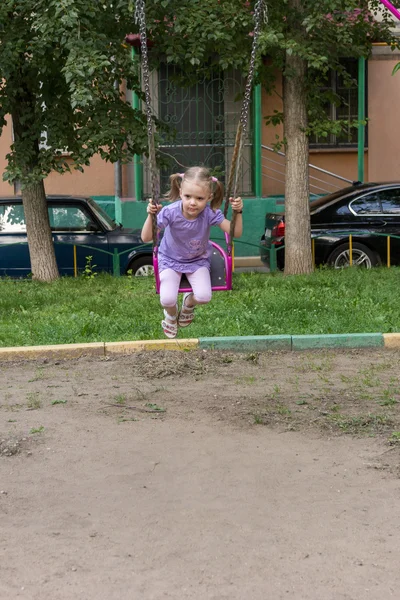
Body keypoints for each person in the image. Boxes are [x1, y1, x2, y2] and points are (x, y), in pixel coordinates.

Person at [141, 166, 243, 338]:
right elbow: (146, 237)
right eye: (188, 196)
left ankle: (188, 303)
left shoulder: (209, 213)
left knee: (204, 297)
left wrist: (238, 212)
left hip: (197, 261)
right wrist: (150, 216)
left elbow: (235, 232)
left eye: (200, 198)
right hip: (169, 261)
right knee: (167, 300)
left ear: (209, 197)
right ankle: (171, 316)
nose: (193, 202)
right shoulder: (170, 212)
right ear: (180, 192)